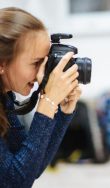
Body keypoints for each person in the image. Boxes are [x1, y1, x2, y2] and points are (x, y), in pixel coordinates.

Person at [0, 7, 81, 187]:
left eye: (45, 62)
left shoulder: (4, 96)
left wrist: (62, 112)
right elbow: (16, 181)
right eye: (36, 63)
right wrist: (47, 103)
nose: (42, 74)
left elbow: (30, 168)